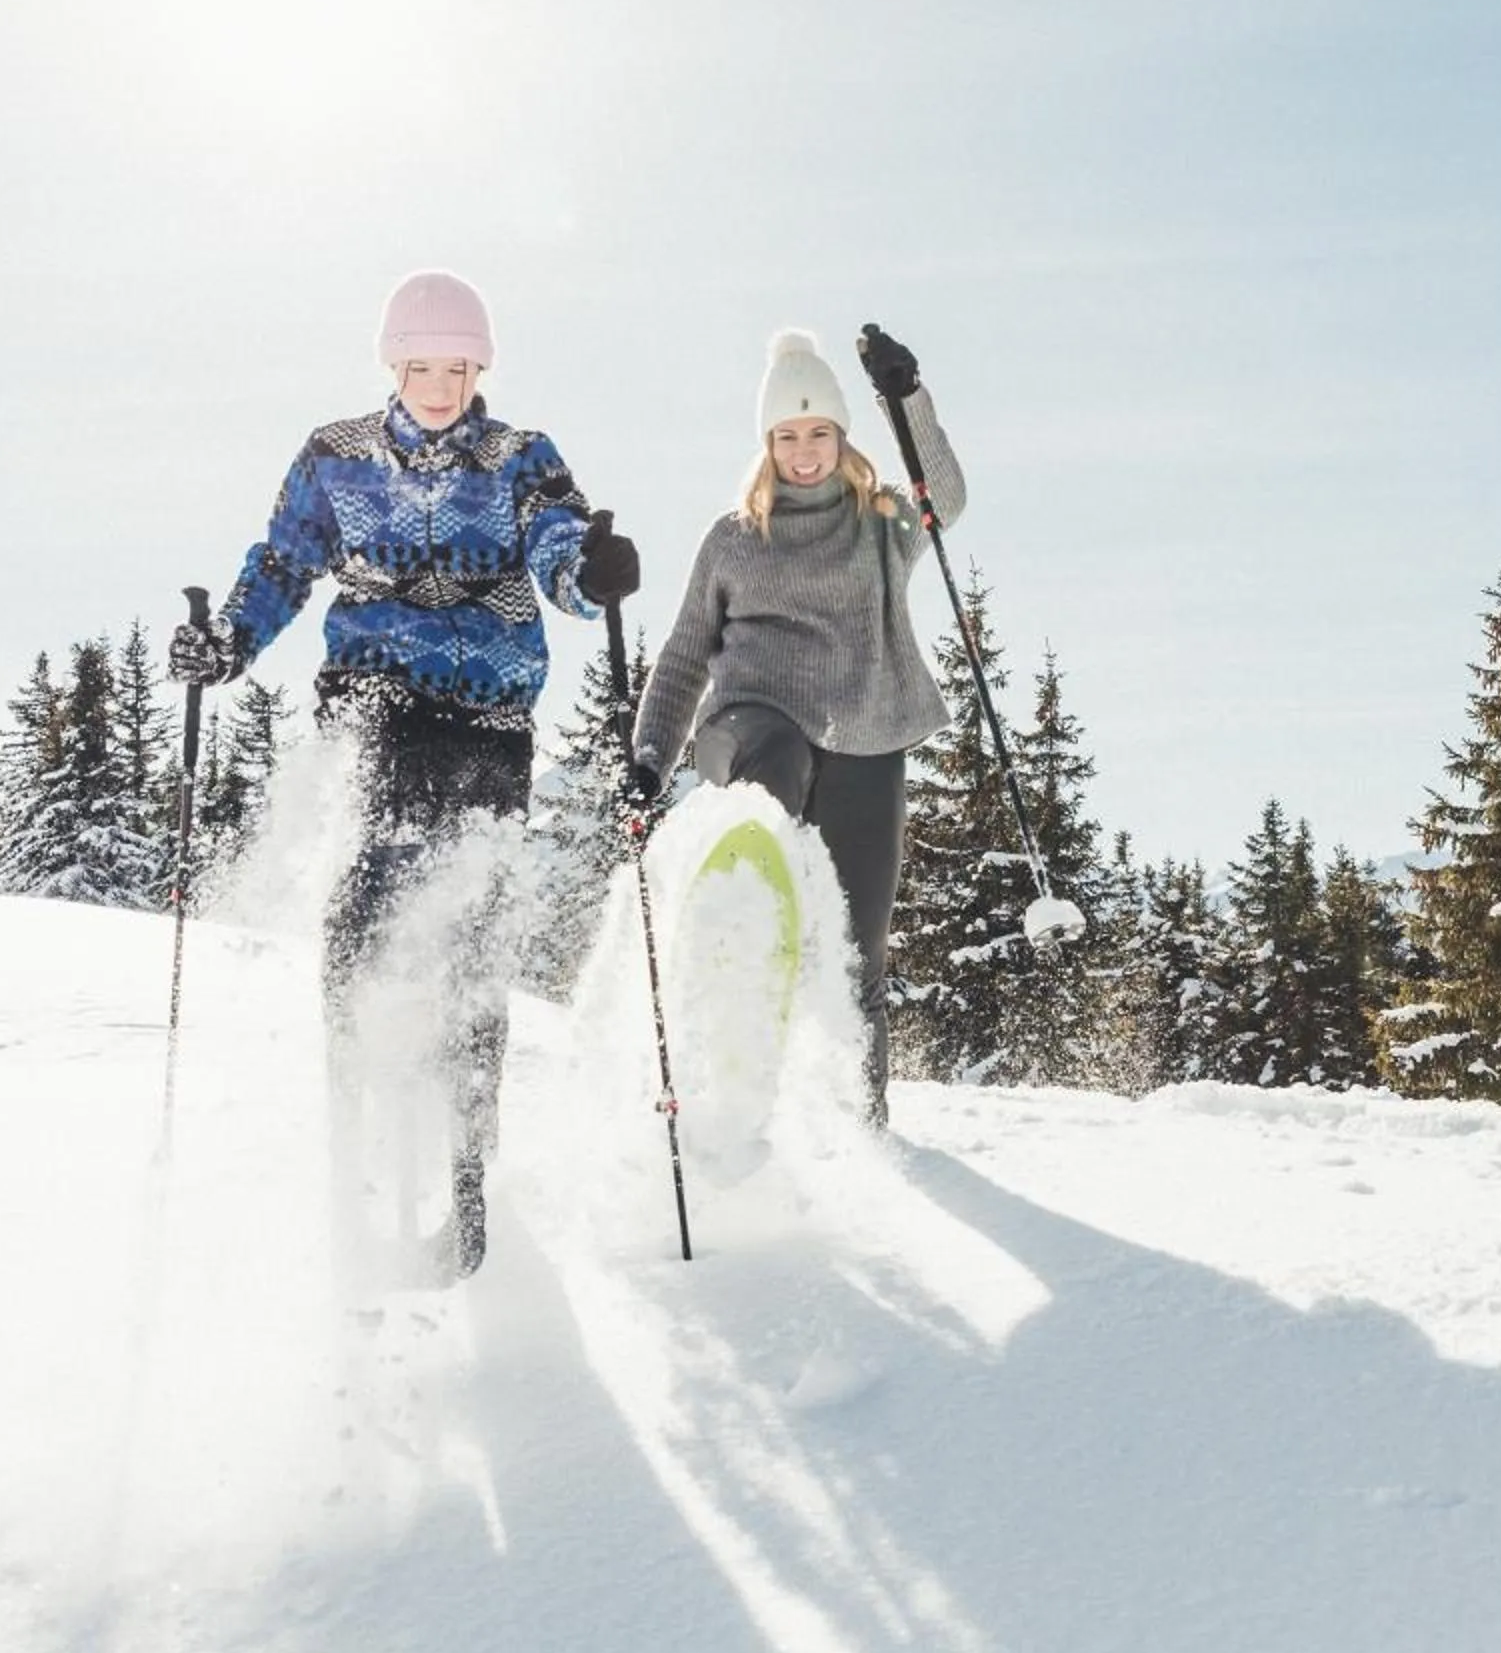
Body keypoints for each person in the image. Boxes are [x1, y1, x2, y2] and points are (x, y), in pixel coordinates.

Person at [169, 270, 638, 1279]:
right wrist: (228, 646)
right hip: (371, 703)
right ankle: (357, 1146)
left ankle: (463, 1177)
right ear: (393, 363)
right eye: (420, 364)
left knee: (468, 933)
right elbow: (284, 563)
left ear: (481, 367)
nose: (437, 384)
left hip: (485, 717)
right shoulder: (336, 458)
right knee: (364, 917)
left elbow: (562, 542)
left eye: (456, 365)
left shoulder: (521, 456)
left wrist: (587, 574)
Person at [628, 326, 957, 1127]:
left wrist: (906, 398)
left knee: (857, 953)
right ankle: (732, 950)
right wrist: (646, 758)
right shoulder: (734, 538)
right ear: (765, 442)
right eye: (786, 436)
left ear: (842, 437)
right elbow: (680, 660)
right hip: (750, 723)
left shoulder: (879, 522)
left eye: (818, 434)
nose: (803, 451)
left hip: (864, 734)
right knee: (769, 759)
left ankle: (860, 1125)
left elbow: (942, 495)